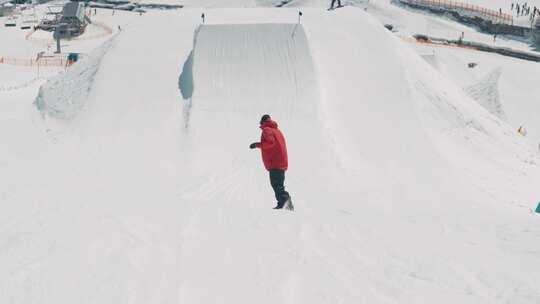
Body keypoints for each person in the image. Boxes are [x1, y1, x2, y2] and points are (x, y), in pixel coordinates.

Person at [250, 115, 293, 210]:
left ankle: (286, 204)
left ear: (262, 122)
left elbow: (270, 143)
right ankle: (284, 203)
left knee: (276, 185)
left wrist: (257, 145)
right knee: (279, 185)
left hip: (275, 163)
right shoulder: (277, 131)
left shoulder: (267, 130)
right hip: (281, 162)